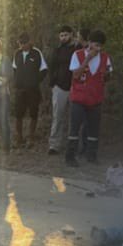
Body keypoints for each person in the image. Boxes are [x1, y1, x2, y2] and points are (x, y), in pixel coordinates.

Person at [66, 30, 111, 166]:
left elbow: (108, 76)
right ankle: (70, 156)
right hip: (79, 97)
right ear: (89, 43)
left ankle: (91, 155)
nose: (98, 49)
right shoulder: (77, 54)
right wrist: (88, 59)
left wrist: (107, 75)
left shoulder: (105, 57)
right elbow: (75, 75)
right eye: (96, 45)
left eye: (100, 46)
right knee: (75, 127)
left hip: (95, 98)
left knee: (93, 129)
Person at [10, 34, 47, 148]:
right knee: (18, 114)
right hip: (20, 89)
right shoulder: (17, 53)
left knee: (33, 113)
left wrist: (35, 81)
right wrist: (17, 82)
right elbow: (14, 69)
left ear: (29, 42)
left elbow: (44, 69)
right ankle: (19, 138)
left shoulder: (36, 53)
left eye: (24, 43)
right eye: (20, 43)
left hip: (33, 90)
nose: (22, 45)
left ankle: (31, 138)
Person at [47, 26, 78, 155]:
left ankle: (73, 145)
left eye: (66, 35)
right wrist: (53, 84)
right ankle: (54, 145)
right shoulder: (57, 50)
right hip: (59, 87)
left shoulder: (77, 49)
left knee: (74, 118)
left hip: (75, 87)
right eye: (61, 35)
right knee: (57, 117)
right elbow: (51, 67)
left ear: (71, 35)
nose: (63, 37)